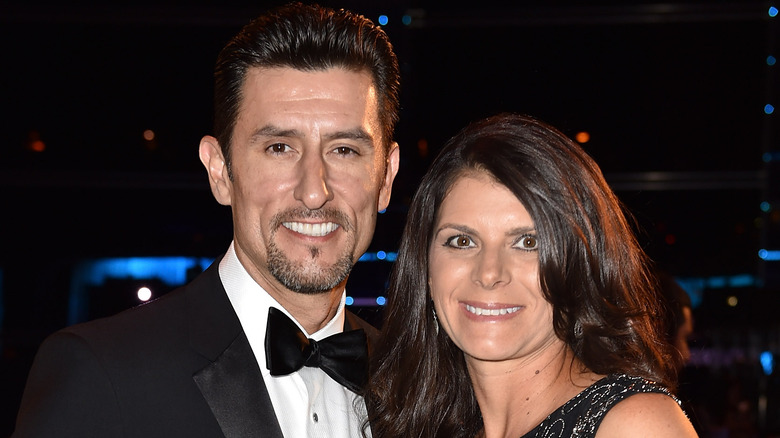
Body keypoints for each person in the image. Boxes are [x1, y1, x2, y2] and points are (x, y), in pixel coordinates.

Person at [13, 3, 400, 437]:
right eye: (279, 148)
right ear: (220, 171)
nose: (314, 190)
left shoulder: (418, 383)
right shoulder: (102, 372)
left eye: (344, 150)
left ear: (385, 177)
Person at [365, 113, 698, 438]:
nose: (489, 273)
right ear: (425, 268)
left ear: (577, 265)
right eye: (462, 241)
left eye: (527, 242)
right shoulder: (414, 425)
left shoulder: (635, 425)